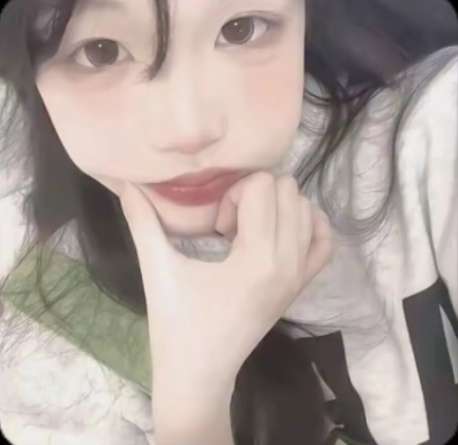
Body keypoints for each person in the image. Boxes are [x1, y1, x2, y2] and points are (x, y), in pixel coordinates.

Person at [0, 0, 457, 444]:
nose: (189, 131)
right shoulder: (50, 335)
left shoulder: (433, 138)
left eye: (240, 29)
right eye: (101, 51)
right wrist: (193, 399)